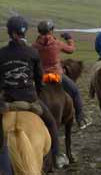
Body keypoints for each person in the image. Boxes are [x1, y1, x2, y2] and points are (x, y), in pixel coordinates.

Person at [0, 16, 67, 169]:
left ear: (10, 33)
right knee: (51, 124)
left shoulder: (1, 54)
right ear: (24, 33)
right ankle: (57, 156)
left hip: (7, 101)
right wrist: (35, 95)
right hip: (30, 100)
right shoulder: (32, 52)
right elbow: (39, 78)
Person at [33, 20, 92, 130]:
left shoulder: (35, 45)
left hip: (42, 77)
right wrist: (69, 39)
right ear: (51, 30)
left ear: (39, 31)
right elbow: (71, 50)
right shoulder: (57, 43)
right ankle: (80, 119)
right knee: (75, 92)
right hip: (56, 76)